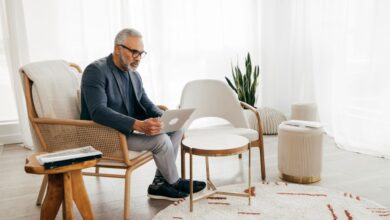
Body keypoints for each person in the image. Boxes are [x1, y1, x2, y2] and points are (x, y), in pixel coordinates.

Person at [80, 28, 205, 201]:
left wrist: (165, 119)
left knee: (176, 130)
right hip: (105, 135)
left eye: (141, 53)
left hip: (126, 132)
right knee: (160, 140)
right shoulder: (95, 71)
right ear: (117, 48)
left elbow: (145, 103)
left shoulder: (134, 75)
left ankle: (161, 183)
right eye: (133, 52)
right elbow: (98, 112)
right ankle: (174, 182)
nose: (138, 57)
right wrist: (138, 125)